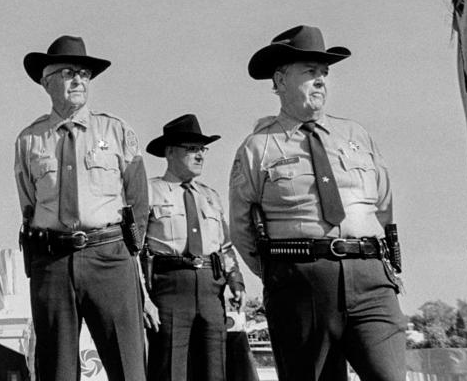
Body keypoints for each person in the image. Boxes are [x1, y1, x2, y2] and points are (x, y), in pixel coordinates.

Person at [230, 25, 404, 381]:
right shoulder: (256, 148)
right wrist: (285, 273)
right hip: (300, 285)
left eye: (324, 73)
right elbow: (242, 228)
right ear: (280, 80)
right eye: (310, 72)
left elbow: (384, 206)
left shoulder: (356, 135)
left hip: (371, 280)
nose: (321, 80)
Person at [14, 34, 148, 381]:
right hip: (52, 262)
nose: (78, 80)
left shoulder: (117, 131)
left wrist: (127, 252)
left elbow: (138, 199)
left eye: (84, 74)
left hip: (109, 257)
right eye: (68, 73)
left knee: (128, 366)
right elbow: (28, 203)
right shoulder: (30, 140)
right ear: (46, 82)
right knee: (56, 369)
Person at [143, 113, 244, 381]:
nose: (200, 156)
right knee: (170, 370)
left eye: (202, 149)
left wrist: (236, 283)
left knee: (214, 370)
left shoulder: (210, 195)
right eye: (192, 149)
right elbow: (134, 250)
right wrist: (142, 298)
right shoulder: (149, 192)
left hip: (212, 288)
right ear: (170, 153)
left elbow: (225, 247)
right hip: (170, 288)